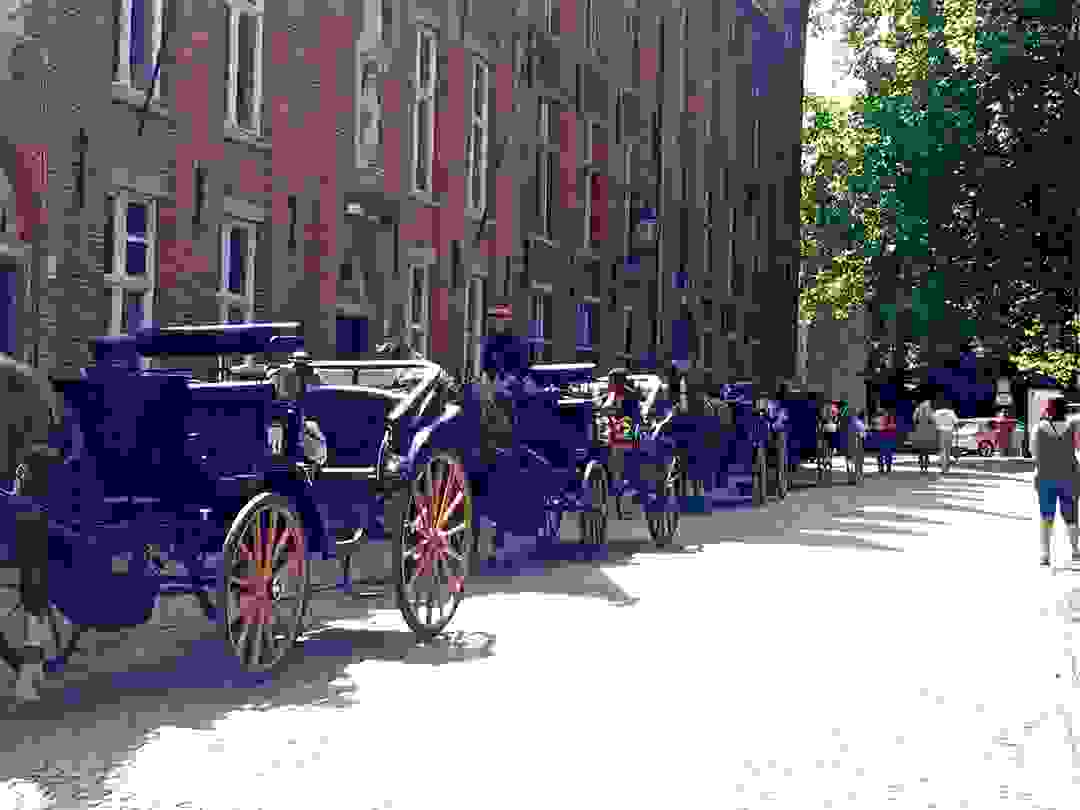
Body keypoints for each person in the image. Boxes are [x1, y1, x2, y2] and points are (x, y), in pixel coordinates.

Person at [0, 353, 63, 702]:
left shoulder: (21, 383)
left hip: (27, 487)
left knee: (30, 537)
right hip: (23, 477)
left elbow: (38, 456)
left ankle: (32, 659)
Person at [1031, 395, 1080, 567]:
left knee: (1046, 516)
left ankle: (1045, 555)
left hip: (1045, 478)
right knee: (1071, 515)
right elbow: (1076, 449)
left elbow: (1034, 453)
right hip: (1069, 477)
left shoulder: (1038, 428)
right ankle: (1075, 550)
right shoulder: (1071, 427)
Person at [934, 398, 959, 473]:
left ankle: (942, 466)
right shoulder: (951, 412)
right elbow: (956, 422)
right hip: (949, 432)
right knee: (947, 450)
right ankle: (946, 467)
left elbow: (933, 422)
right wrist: (956, 431)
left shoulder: (937, 412)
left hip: (940, 432)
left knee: (942, 450)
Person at [913, 398, 935, 473]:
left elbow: (914, 419)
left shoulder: (917, 409)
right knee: (926, 447)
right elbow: (932, 419)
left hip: (919, 429)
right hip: (927, 430)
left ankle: (921, 460)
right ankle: (925, 461)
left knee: (921, 447)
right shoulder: (930, 410)